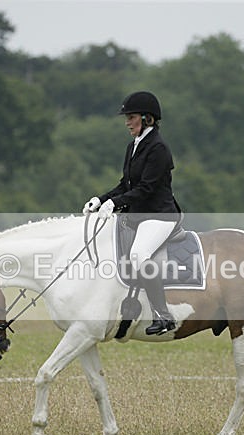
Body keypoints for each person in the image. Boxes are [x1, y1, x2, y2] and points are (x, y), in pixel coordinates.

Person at [82, 91, 180, 335]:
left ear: (147, 119)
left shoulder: (158, 148)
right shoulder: (133, 145)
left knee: (138, 256)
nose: (127, 122)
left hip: (159, 215)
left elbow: (146, 188)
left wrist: (115, 204)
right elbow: (126, 184)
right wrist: (101, 199)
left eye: (132, 117)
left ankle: (163, 315)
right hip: (140, 214)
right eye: (127, 117)